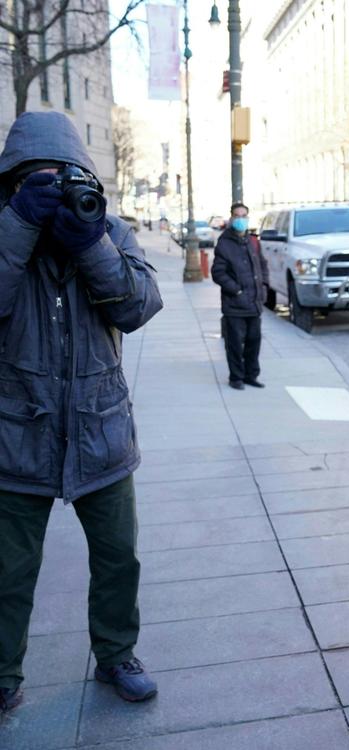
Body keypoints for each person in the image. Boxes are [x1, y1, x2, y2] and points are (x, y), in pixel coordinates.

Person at [0, 111, 163, 714]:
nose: (52, 190)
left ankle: (117, 654)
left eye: (61, 178)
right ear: (12, 183)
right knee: (9, 572)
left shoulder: (108, 231)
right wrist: (18, 224)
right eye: (34, 182)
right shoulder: (3, 228)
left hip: (102, 432)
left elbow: (139, 306)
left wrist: (88, 242)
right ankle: (2, 673)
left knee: (119, 559)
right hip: (15, 437)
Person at [211, 202, 267, 390]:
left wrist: (263, 287)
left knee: (254, 342)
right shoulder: (224, 242)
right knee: (234, 344)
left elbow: (262, 264)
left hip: (254, 303)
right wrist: (237, 290)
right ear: (231, 218)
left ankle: (251, 375)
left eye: (244, 215)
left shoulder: (252, 241)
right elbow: (218, 273)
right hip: (235, 305)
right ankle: (236, 377)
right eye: (237, 215)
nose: (240, 219)